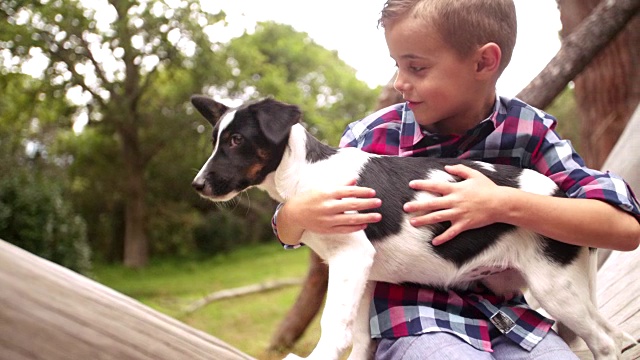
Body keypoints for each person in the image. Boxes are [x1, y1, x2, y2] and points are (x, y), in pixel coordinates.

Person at [272, 0, 640, 358]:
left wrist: (504, 203)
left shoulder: (530, 133)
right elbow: (325, 239)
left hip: (514, 324)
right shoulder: (371, 138)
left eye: (416, 68)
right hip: (412, 323)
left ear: (483, 62)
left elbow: (623, 229)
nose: (400, 83)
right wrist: (293, 216)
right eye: (396, 65)